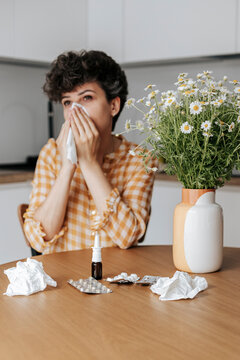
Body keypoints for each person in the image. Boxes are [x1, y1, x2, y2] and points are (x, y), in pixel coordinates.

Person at [24, 50, 157, 254]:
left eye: (87, 98)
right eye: (68, 102)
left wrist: (88, 163)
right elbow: (38, 239)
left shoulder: (139, 159)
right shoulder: (51, 153)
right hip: (61, 279)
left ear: (113, 106)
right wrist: (67, 165)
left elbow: (128, 236)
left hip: (114, 279)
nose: (75, 111)